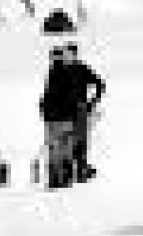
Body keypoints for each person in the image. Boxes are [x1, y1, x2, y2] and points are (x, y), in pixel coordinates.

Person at [63, 42, 106, 183]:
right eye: (65, 54)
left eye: (69, 54)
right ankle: (69, 171)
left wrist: (93, 101)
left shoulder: (82, 69)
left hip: (80, 109)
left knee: (81, 140)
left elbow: (100, 83)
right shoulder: (61, 70)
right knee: (68, 140)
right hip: (66, 111)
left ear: (75, 55)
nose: (67, 56)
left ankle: (81, 169)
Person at [39, 45, 79, 190]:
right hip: (66, 117)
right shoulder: (68, 73)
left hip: (55, 117)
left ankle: (55, 179)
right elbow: (72, 96)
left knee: (55, 148)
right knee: (65, 147)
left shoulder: (54, 73)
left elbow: (51, 96)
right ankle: (66, 178)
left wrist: (43, 108)